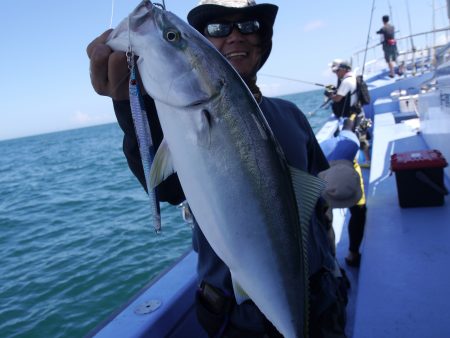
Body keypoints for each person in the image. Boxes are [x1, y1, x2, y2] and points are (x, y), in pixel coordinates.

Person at [87, 0, 348, 337]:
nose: (236, 36)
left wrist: (333, 263)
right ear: (204, 44)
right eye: (218, 28)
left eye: (250, 26)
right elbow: (168, 188)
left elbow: (317, 202)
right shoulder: (174, 123)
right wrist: (128, 105)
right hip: (235, 318)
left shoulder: (291, 114)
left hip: (320, 297)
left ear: (264, 39)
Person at [319, 118, 367, 268]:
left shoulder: (352, 143)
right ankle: (332, 262)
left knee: (359, 210)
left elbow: (348, 126)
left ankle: (353, 253)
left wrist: (350, 121)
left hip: (343, 166)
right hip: (322, 171)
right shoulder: (316, 163)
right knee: (324, 220)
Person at [325, 59, 371, 167]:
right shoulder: (353, 77)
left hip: (353, 116)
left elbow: (337, 98)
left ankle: (356, 163)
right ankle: (367, 160)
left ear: (344, 70)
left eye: (337, 71)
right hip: (360, 112)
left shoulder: (346, 81)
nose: (336, 73)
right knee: (362, 135)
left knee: (354, 138)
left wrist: (330, 94)